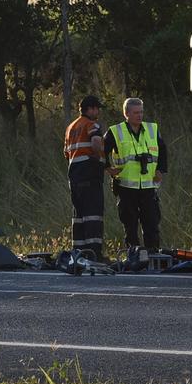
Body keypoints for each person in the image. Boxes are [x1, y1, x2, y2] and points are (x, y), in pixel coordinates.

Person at [105, 97, 167, 255]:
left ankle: (152, 254)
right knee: (130, 223)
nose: (139, 116)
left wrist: (161, 170)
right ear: (126, 113)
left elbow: (163, 151)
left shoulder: (152, 129)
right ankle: (134, 255)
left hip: (148, 186)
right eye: (135, 112)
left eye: (141, 112)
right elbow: (102, 151)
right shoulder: (115, 131)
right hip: (126, 187)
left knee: (151, 222)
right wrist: (108, 168)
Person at [64, 95, 106, 260]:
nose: (98, 112)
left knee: (79, 215)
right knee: (93, 213)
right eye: (96, 108)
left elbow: (66, 153)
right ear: (91, 109)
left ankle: (79, 253)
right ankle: (94, 253)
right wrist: (98, 158)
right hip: (90, 172)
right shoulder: (91, 125)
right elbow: (96, 142)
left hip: (74, 174)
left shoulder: (71, 127)